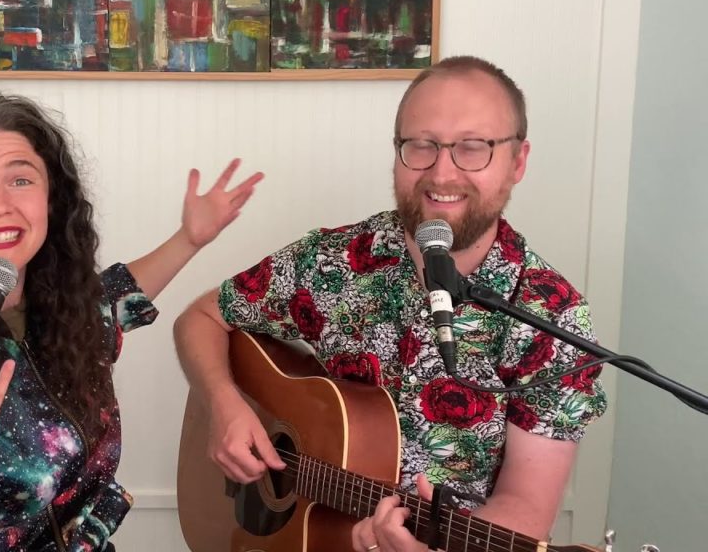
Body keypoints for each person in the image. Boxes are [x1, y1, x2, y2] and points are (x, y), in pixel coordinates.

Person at [173, 55, 608, 552]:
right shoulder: (330, 260)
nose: (442, 173)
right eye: (419, 146)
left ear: (518, 161)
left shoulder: (552, 317)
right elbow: (201, 318)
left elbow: (526, 510)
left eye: (473, 148)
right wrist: (223, 403)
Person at [0, 91, 263, 552]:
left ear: (51, 202)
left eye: (21, 180)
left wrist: (189, 239)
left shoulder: (65, 312)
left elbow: (117, 296)